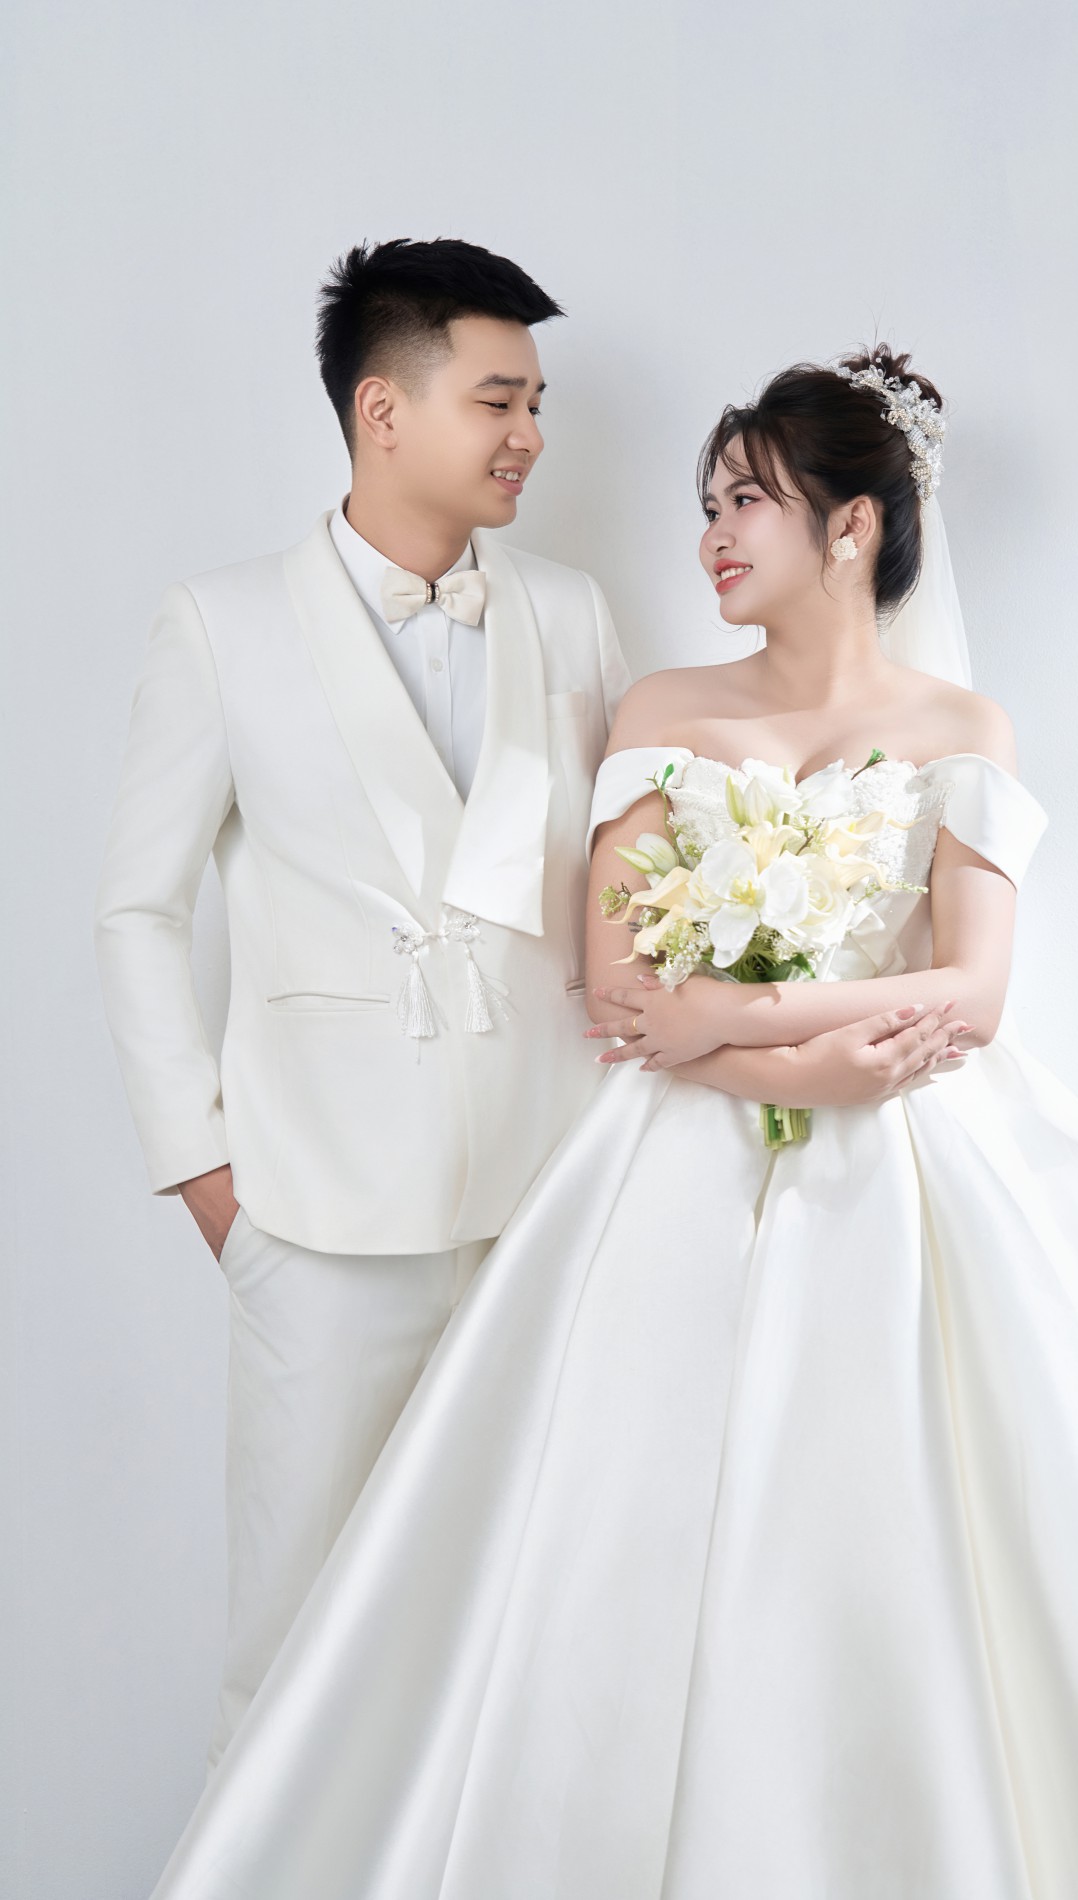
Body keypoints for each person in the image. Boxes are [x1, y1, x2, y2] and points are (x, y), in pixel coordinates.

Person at [147, 346, 1078, 1899]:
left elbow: (971, 991)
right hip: (669, 1168)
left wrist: (740, 1027)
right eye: (707, 504)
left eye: (746, 501)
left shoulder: (963, 726)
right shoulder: (665, 708)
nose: (710, 535)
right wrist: (804, 1055)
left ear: (852, 526)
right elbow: (622, 987)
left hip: (913, 1166)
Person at [94, 235, 643, 1766]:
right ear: (381, 410)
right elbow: (138, 909)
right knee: (297, 1645)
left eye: (537, 403)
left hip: (546, 1207)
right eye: (498, 400)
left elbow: (629, 884)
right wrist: (207, 1176)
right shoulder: (222, 623)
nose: (531, 435)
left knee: (537, 1626)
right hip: (316, 1217)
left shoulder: (574, 615)